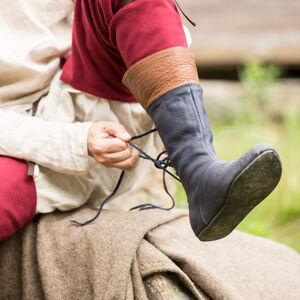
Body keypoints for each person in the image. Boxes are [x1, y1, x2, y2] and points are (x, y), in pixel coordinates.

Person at [0, 0, 281, 241]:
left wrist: (164, 70)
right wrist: (76, 142)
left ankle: (199, 169)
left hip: (78, 96)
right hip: (15, 147)